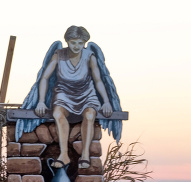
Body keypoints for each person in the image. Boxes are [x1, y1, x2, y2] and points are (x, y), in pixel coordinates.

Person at [17, 26, 122, 171]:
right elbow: (45, 77)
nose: (77, 46)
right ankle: (64, 154)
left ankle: (85, 154)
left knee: (90, 114)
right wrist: (41, 101)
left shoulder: (89, 56)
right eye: (73, 42)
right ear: (67, 41)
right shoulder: (58, 55)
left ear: (84, 42)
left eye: (80, 43)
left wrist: (107, 102)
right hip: (64, 93)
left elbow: (99, 80)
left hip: (86, 94)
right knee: (57, 113)